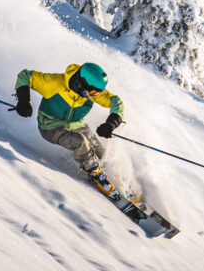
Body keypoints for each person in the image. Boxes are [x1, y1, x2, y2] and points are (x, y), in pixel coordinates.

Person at [14, 62, 124, 190]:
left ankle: (108, 175)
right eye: (93, 92)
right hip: (50, 127)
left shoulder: (91, 93)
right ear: (81, 83)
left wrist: (110, 124)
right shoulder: (54, 83)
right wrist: (23, 101)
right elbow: (25, 76)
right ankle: (94, 172)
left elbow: (116, 102)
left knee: (101, 152)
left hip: (77, 125)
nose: (95, 96)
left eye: (98, 93)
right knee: (81, 142)